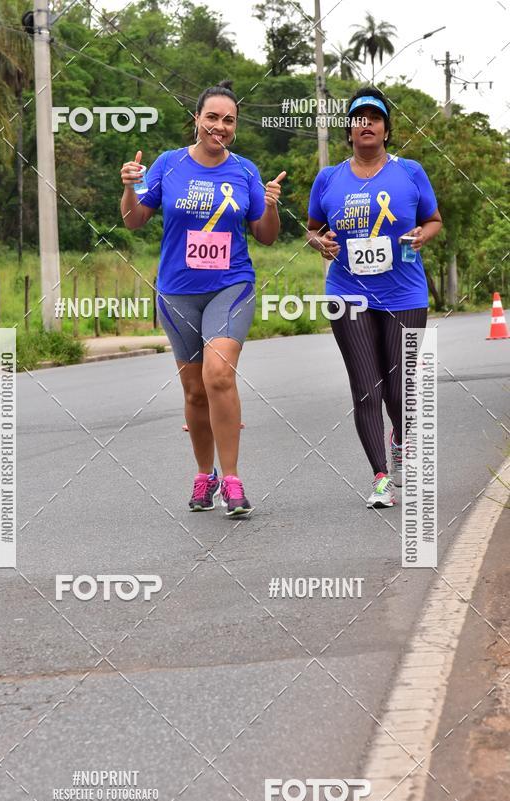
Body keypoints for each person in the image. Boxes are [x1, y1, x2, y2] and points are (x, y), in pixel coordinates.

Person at [120, 80, 286, 516]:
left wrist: (270, 205)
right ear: (196, 119)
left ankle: (232, 479)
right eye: (212, 117)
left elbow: (265, 236)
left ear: (236, 127)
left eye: (228, 120)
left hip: (231, 286)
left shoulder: (245, 171)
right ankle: (204, 474)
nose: (219, 126)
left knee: (218, 375)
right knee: (194, 392)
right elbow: (135, 220)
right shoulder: (168, 164)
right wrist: (129, 186)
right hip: (177, 292)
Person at [306, 86, 442, 508]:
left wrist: (423, 235)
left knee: (399, 389)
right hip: (348, 294)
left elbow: (434, 219)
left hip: (405, 293)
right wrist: (320, 243)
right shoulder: (329, 178)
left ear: (386, 129)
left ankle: (400, 440)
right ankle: (380, 477)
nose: (367, 124)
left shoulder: (410, 172)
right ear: (349, 130)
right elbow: (312, 229)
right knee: (367, 388)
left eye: (375, 117)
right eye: (359, 118)